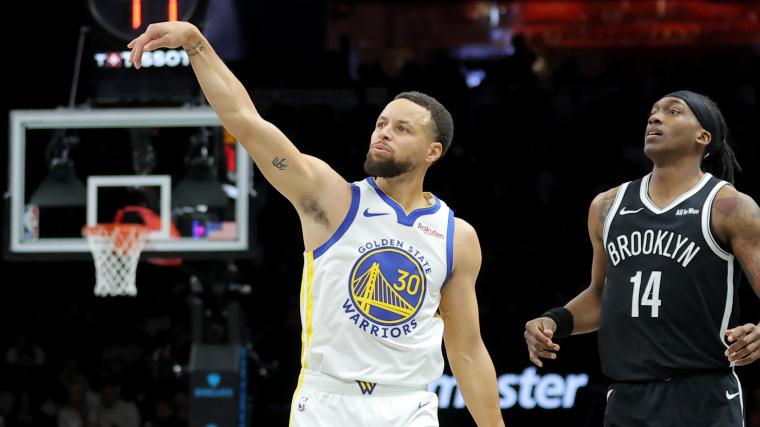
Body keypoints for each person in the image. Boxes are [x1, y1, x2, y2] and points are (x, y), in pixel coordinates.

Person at [128, 22, 504, 427]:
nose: (383, 134)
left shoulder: (456, 236)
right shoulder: (333, 199)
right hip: (328, 403)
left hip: (409, 406)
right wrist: (196, 44)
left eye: (401, 129)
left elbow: (467, 351)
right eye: (381, 123)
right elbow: (245, 121)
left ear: (433, 151)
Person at [524, 90, 760, 426]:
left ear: (703, 137)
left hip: (703, 396)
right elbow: (602, 294)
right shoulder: (607, 205)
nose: (655, 117)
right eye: (653, 111)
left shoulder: (729, 207)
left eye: (673, 111)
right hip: (627, 398)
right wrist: (553, 321)